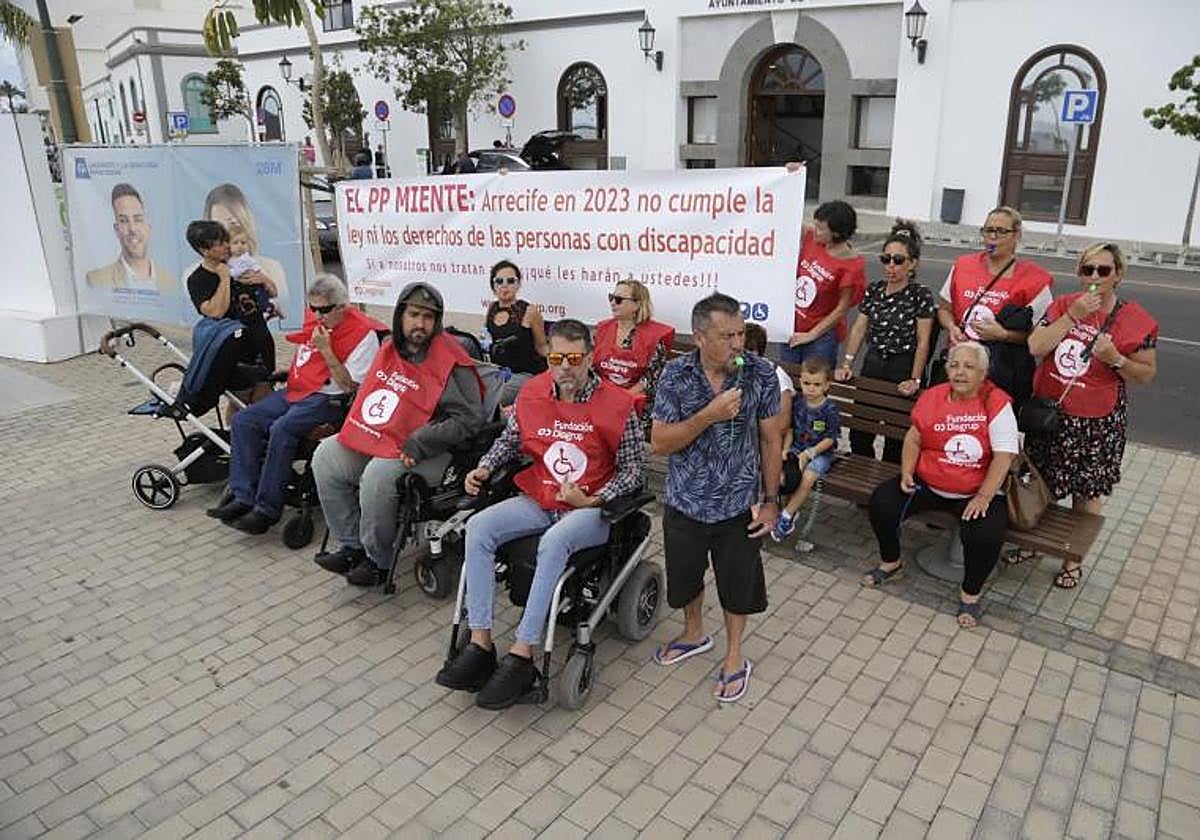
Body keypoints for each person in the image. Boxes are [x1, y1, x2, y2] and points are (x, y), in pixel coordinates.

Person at [435, 319, 646, 709]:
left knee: (554, 543)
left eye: (574, 358)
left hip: (589, 511)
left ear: (590, 358)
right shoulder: (532, 393)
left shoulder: (618, 405)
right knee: (478, 527)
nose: (565, 366)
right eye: (556, 357)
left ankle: (523, 652)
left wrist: (593, 499)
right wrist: (483, 466)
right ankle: (480, 643)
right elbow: (511, 439)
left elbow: (635, 470)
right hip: (541, 497)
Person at [650, 293, 782, 703]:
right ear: (700, 337)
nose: (738, 344)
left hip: (736, 505)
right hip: (685, 501)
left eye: (741, 333)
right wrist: (709, 414)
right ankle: (693, 633)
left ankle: (734, 656)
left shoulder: (760, 374)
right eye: (727, 336)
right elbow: (659, 443)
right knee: (686, 577)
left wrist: (772, 500)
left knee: (737, 584)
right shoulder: (674, 375)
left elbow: (770, 439)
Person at [312, 282, 485, 587]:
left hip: (431, 448)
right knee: (326, 455)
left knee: (377, 477)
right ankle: (352, 544)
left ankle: (377, 559)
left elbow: (469, 420)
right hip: (384, 436)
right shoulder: (389, 348)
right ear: (400, 315)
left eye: (428, 317)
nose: (420, 323)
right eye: (414, 314)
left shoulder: (451, 361)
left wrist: (421, 439)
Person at [1025, 242, 1158, 588]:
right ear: (1079, 273)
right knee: (1042, 483)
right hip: (1052, 413)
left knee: (1086, 493)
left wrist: (1115, 357)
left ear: (1118, 275)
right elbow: (1035, 346)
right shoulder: (1063, 305)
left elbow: (1145, 374)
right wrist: (1073, 317)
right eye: (1088, 270)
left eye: (1104, 270)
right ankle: (1034, 545)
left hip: (1097, 421)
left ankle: (1072, 560)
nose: (1095, 277)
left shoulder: (1134, 319)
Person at [209, 275, 385, 534]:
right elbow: (303, 358)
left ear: (342, 307)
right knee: (243, 421)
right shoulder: (315, 320)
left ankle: (267, 509)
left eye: (323, 310)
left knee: (282, 429)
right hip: (299, 390)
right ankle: (243, 495)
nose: (316, 314)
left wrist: (326, 350)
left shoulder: (363, 335)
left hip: (331, 398)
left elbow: (352, 387)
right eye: (312, 308)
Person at [862, 342, 1017, 628]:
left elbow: (1004, 455)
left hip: (976, 489)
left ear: (983, 373)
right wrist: (907, 471)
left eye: (969, 367)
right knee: (882, 502)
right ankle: (891, 562)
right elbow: (914, 438)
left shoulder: (996, 403)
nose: (960, 373)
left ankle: (970, 593)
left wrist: (984, 496)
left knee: (984, 534)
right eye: (954, 365)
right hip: (929, 482)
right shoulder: (933, 396)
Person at [836, 219, 937, 463]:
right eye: (886, 259)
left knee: (897, 435)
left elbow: (923, 341)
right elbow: (860, 328)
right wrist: (847, 363)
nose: (891, 266)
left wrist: (914, 379)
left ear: (912, 264)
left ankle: (888, 485)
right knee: (861, 430)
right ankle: (862, 471)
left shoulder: (920, 295)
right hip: (874, 362)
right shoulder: (875, 290)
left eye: (898, 260)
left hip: (902, 364)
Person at [937, 206, 1053, 410]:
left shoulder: (1035, 280)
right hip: (960, 369)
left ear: (1017, 235)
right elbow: (944, 309)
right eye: (988, 230)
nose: (992, 237)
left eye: (1000, 231)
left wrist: (1003, 334)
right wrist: (952, 328)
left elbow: (1040, 341)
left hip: (1002, 376)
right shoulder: (963, 265)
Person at [788, 200, 867, 367]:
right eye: (815, 225)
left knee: (813, 385)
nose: (815, 231)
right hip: (793, 325)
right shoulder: (812, 239)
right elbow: (788, 218)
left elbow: (841, 309)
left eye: (821, 229)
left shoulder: (852, 265)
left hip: (821, 336)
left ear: (837, 233)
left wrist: (812, 334)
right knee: (788, 381)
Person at [772, 357, 839, 551]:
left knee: (808, 476)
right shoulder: (798, 403)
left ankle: (786, 515)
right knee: (786, 471)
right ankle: (789, 508)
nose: (811, 388)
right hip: (797, 447)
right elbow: (791, 430)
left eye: (817, 384)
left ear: (827, 385)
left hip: (821, 453)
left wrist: (810, 453)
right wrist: (785, 449)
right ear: (800, 381)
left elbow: (830, 439)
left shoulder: (830, 409)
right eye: (806, 383)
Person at [592, 279, 675, 424]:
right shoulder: (602, 329)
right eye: (611, 297)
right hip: (602, 395)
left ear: (637, 304)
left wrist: (619, 400)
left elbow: (649, 380)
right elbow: (591, 369)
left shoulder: (654, 337)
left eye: (618, 300)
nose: (612, 303)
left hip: (635, 402)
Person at [204, 183, 288, 311]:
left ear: (243, 222)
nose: (224, 231)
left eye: (230, 222)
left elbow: (282, 301)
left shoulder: (272, 267)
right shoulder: (194, 275)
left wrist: (265, 282)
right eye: (217, 223)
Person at [86, 183, 178, 294]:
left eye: (138, 219)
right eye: (124, 221)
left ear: (148, 227)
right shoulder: (97, 281)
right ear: (116, 230)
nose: (132, 229)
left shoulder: (171, 282)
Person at [484, 260, 547, 402]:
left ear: (518, 284)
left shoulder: (530, 311)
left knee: (494, 400)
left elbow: (542, 346)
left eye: (511, 281)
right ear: (493, 286)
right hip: (498, 373)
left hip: (525, 374)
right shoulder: (491, 309)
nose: (504, 285)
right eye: (499, 281)